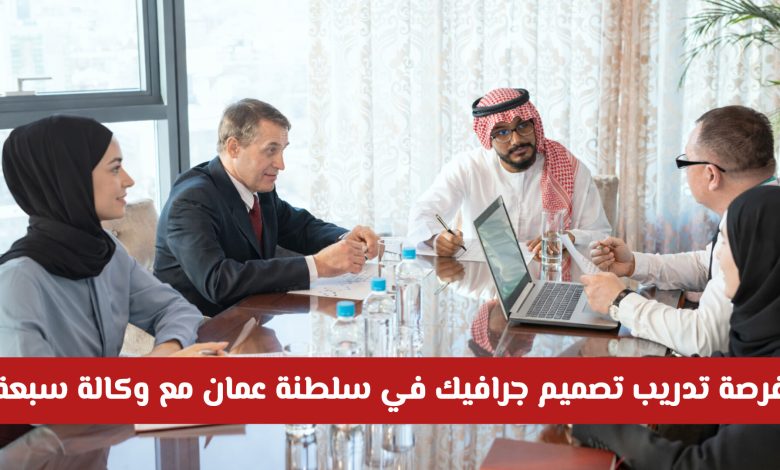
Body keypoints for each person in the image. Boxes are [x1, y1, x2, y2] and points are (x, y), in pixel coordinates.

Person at [571, 186, 780, 469]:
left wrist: (599, 423)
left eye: (728, 244)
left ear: (760, 257)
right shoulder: (761, 334)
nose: (718, 258)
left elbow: (694, 466)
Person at [0, 116, 225, 357]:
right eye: (115, 168)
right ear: (71, 179)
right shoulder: (17, 283)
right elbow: (32, 382)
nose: (129, 180)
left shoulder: (106, 250)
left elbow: (176, 308)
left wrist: (166, 351)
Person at [582, 105, 777, 356]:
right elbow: (707, 263)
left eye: (686, 161)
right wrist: (634, 264)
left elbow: (704, 338)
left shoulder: (758, 226)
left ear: (711, 175)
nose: (685, 173)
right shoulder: (759, 207)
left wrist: (619, 300)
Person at [155, 99, 379, 316]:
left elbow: (299, 227)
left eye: (282, 150)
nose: (281, 164)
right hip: (202, 327)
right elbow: (219, 281)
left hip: (253, 314)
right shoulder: (191, 201)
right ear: (234, 148)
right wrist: (317, 265)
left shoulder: (258, 188)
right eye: (271, 151)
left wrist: (346, 239)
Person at [406, 87, 611, 257]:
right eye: (502, 132)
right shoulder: (468, 167)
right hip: (483, 282)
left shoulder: (569, 167)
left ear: (535, 124)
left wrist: (568, 238)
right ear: (488, 138)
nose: (516, 140)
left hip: (550, 278)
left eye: (523, 126)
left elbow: (600, 235)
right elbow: (422, 213)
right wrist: (436, 239)